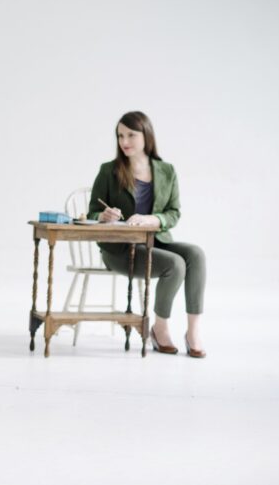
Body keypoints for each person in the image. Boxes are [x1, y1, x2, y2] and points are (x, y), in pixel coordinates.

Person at [88, 111, 206, 358]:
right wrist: (103, 216)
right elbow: (91, 213)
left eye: (131, 134)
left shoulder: (167, 171)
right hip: (120, 250)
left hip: (155, 241)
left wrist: (154, 219)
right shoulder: (109, 170)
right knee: (175, 264)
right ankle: (159, 328)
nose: (124, 141)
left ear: (146, 135)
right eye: (120, 135)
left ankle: (193, 331)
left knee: (195, 254)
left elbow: (174, 213)